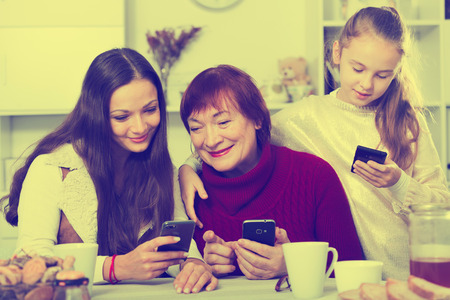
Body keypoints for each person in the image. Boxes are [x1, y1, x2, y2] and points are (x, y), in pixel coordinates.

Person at [180, 7, 450, 280]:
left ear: (397, 71)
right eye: (357, 68)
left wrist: (398, 183)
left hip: (415, 274)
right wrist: (189, 166)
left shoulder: (408, 122)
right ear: (337, 53)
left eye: (383, 75)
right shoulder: (304, 116)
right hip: (354, 276)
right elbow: (243, 133)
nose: (367, 84)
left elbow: (442, 206)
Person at [0, 48, 217, 294]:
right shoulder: (52, 168)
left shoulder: (164, 170)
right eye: (122, 117)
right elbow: (32, 262)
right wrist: (114, 268)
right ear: (95, 115)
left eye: (150, 110)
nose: (140, 127)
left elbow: (180, 248)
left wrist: (194, 265)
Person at [179, 64, 364, 280]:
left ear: (257, 118)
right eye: (196, 128)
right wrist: (202, 265)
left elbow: (353, 272)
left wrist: (295, 265)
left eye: (223, 122)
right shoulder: (188, 194)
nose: (210, 141)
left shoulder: (315, 176)